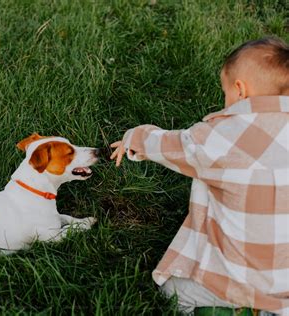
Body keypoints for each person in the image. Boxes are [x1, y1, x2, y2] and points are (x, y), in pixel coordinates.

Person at [110, 37, 289, 315]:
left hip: (239, 280)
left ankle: (244, 303)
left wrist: (133, 137)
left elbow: (169, 145)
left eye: (225, 92)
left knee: (172, 291)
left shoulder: (219, 138)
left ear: (240, 90)